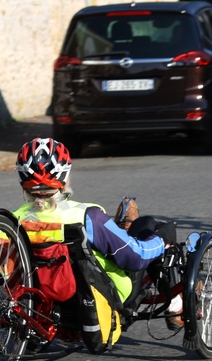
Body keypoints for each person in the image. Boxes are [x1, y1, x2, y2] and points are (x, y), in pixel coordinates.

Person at [12, 137, 181, 327]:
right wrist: (161, 240)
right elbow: (136, 257)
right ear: (65, 178)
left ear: (21, 181)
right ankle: (175, 304)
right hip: (103, 295)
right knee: (148, 226)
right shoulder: (87, 215)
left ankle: (123, 231)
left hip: (37, 300)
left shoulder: (11, 221)